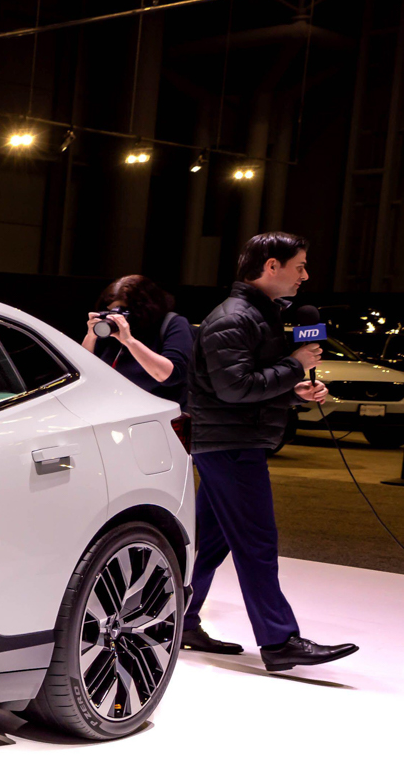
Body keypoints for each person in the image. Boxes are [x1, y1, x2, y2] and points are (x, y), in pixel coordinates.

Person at [180, 231, 359, 671]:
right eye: (299, 266)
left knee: (208, 542)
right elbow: (235, 388)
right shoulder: (234, 318)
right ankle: (279, 641)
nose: (305, 276)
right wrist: (295, 366)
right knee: (256, 542)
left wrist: (294, 389)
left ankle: (180, 619)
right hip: (232, 445)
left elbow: (244, 385)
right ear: (271, 266)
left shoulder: (254, 314)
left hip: (232, 441)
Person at [78, 273, 194, 402]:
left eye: (124, 311)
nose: (118, 316)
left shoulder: (173, 324)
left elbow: (171, 376)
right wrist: (91, 336)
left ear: (144, 308)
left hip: (156, 409)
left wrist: (129, 341)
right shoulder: (111, 328)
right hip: (111, 405)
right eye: (112, 310)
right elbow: (82, 371)